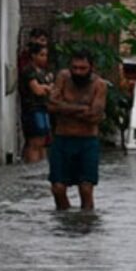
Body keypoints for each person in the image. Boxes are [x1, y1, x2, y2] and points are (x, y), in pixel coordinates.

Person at [47, 49, 108, 210]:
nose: (78, 72)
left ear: (91, 68)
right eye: (75, 68)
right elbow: (51, 105)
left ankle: (86, 223)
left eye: (83, 68)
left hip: (87, 141)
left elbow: (95, 116)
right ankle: (63, 223)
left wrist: (64, 108)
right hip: (62, 139)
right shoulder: (63, 78)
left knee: (86, 188)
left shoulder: (99, 85)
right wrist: (81, 109)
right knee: (58, 188)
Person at [20, 42, 53, 163]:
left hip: (43, 109)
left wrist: (47, 88)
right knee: (35, 141)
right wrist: (48, 88)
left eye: (46, 55)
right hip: (32, 110)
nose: (45, 58)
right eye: (42, 55)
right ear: (33, 56)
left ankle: (41, 168)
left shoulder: (42, 72)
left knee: (43, 141)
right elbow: (37, 90)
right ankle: (32, 167)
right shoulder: (29, 71)